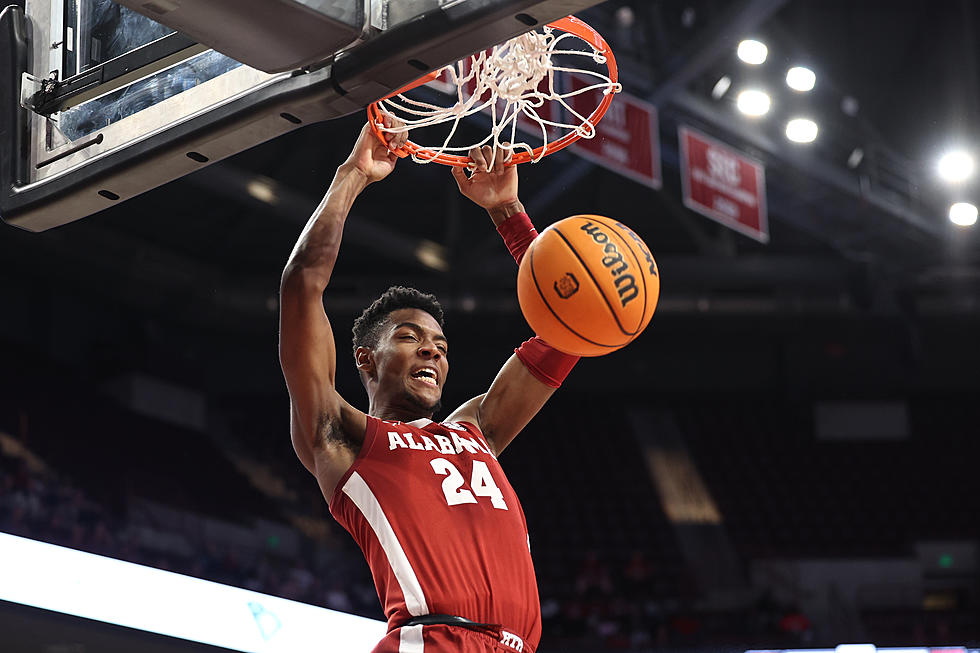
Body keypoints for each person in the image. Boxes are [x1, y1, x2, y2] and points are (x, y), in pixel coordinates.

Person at [278, 118, 580, 653]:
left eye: (440, 344)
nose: (432, 350)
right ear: (366, 360)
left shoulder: (475, 431)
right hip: (432, 642)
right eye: (410, 337)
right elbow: (302, 286)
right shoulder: (343, 436)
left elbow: (569, 328)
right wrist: (353, 175)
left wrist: (507, 213)